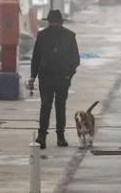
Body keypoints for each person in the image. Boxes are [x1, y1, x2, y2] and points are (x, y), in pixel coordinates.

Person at [29, 10, 80, 149]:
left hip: (62, 78)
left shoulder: (69, 36)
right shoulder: (42, 36)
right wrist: (33, 76)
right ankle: (42, 135)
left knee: (60, 107)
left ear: (61, 22)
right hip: (45, 77)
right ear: (48, 22)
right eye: (51, 22)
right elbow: (36, 58)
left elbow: (75, 59)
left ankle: (60, 136)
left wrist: (69, 74)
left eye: (56, 22)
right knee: (45, 106)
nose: (53, 25)